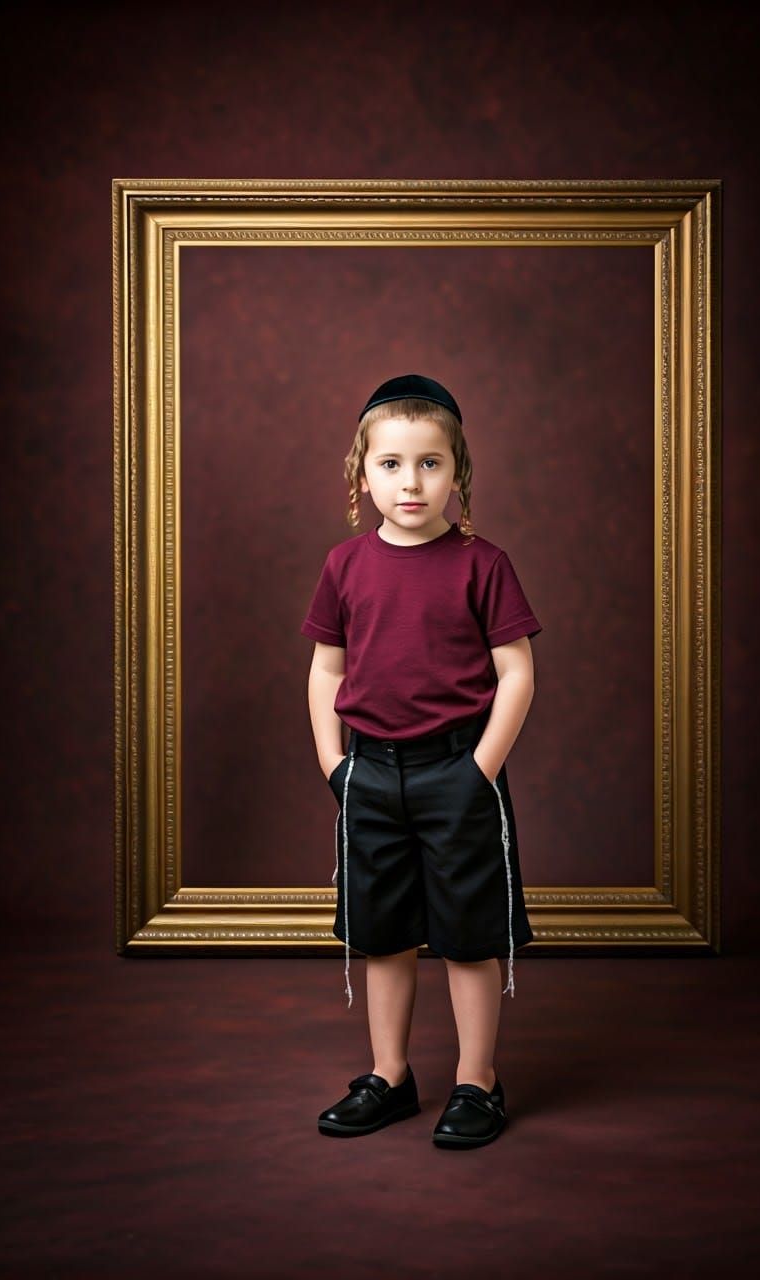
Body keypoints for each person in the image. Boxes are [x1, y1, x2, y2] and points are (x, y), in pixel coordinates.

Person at [300, 373, 541, 1149]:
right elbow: (327, 671)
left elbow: (517, 674)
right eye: (393, 464)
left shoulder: (483, 563)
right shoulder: (344, 566)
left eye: (431, 464)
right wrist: (336, 766)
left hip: (456, 774)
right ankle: (390, 1076)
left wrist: (478, 771)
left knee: (468, 937)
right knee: (384, 933)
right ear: (361, 474)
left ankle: (478, 1081)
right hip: (370, 775)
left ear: (458, 473)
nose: (411, 482)